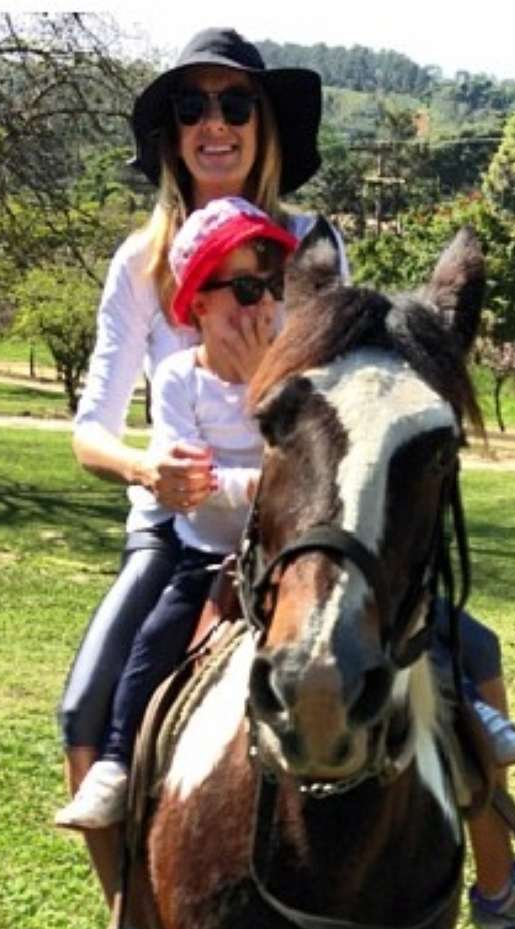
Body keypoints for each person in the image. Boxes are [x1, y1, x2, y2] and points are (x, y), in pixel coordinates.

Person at [58, 27, 515, 929]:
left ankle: (501, 877)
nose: (215, 123)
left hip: (306, 516)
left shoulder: (313, 244)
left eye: (235, 103)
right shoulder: (139, 265)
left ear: (265, 122)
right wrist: (148, 465)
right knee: (87, 705)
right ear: (169, 134)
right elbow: (92, 424)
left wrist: (263, 382)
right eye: (192, 108)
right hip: (179, 523)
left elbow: (355, 388)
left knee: (456, 649)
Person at [57, 197, 297, 833]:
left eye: (272, 285)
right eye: (245, 288)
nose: (265, 304)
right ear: (196, 306)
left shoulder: (294, 379)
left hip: (281, 552)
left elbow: (299, 474)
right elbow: (187, 479)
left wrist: (263, 391)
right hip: (200, 556)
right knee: (153, 643)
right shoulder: (174, 379)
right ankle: (113, 762)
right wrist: (255, 477)